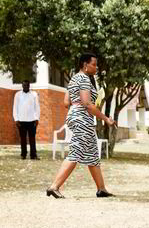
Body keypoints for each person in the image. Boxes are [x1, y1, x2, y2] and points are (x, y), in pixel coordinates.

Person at [46, 53, 117, 199]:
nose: (96, 68)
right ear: (85, 65)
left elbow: (66, 102)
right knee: (76, 152)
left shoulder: (74, 79)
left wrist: (77, 105)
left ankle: (101, 189)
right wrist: (105, 119)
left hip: (76, 116)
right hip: (82, 118)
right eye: (94, 64)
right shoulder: (84, 79)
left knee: (92, 156)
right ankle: (54, 186)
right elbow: (87, 104)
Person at [13, 80, 41, 160]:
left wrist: (37, 118)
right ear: (22, 86)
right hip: (21, 120)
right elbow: (15, 107)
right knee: (23, 139)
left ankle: (33, 155)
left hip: (32, 120)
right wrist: (16, 119)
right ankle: (23, 154)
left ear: (29, 86)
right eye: (24, 85)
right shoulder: (17, 95)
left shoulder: (34, 94)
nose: (26, 87)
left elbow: (37, 107)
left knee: (32, 138)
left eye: (27, 85)